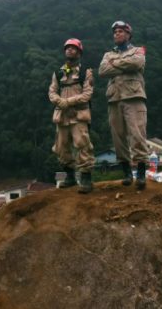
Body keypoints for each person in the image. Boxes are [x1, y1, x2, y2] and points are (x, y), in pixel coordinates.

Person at [98, 21, 148, 190]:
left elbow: (137, 64)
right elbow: (102, 71)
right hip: (114, 99)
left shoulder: (138, 51)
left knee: (137, 134)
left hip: (133, 96)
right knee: (118, 138)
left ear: (128, 34)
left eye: (120, 31)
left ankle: (141, 173)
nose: (116, 34)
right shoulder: (107, 54)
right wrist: (123, 64)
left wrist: (115, 63)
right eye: (115, 32)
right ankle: (127, 172)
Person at [48, 38, 95, 194]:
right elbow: (52, 91)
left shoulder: (85, 72)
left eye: (73, 48)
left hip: (78, 115)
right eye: (67, 48)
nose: (69, 50)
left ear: (79, 52)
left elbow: (87, 94)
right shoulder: (58, 72)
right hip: (62, 116)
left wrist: (67, 102)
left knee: (83, 144)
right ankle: (69, 177)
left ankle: (86, 178)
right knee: (61, 147)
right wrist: (59, 101)